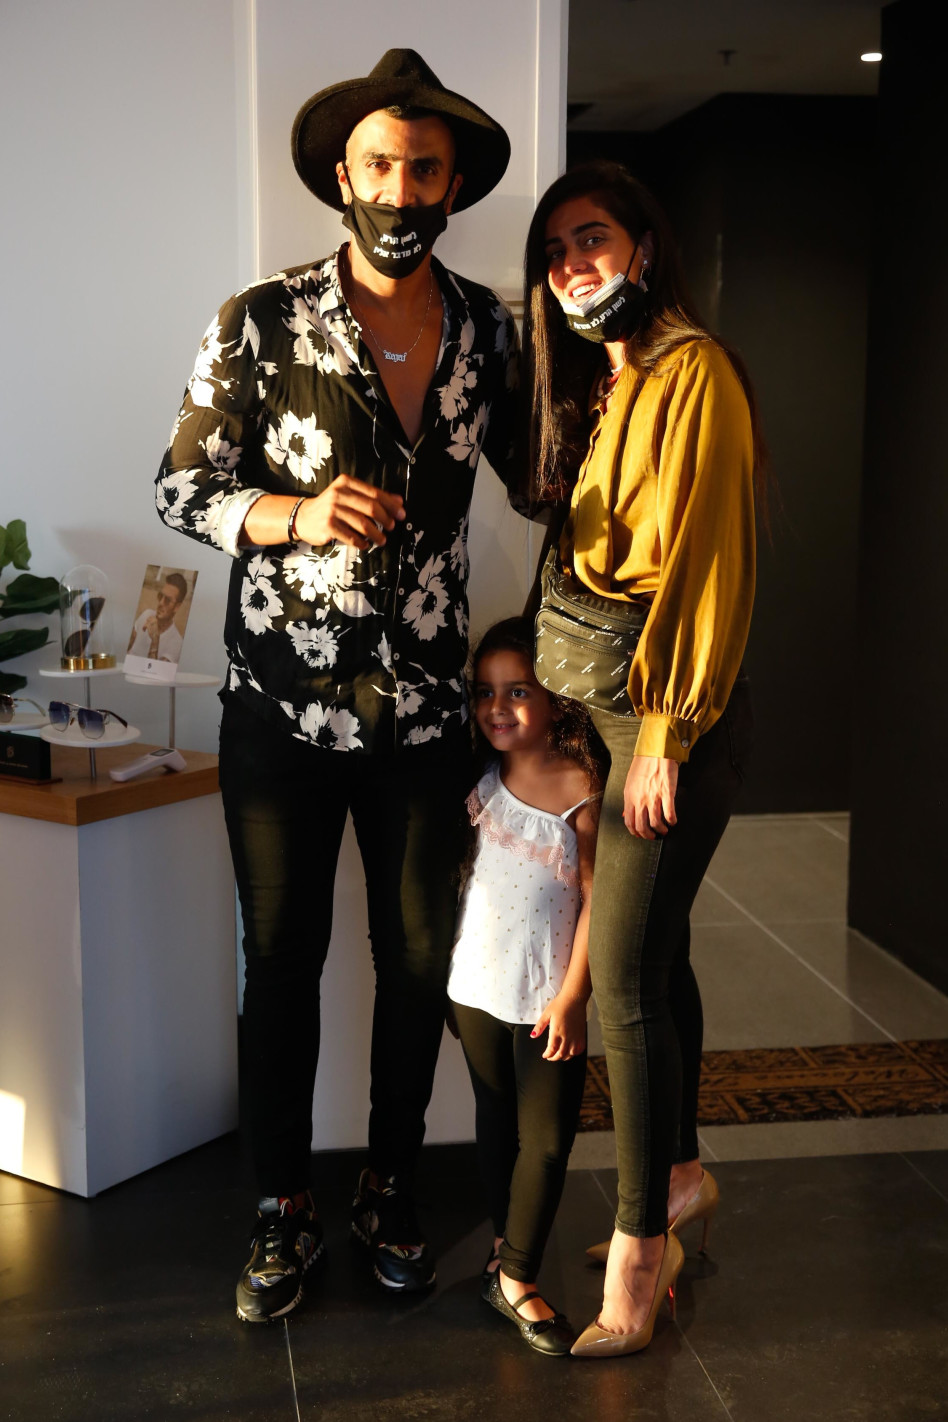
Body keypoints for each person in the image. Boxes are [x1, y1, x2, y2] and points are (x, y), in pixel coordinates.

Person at [155, 49, 520, 1324]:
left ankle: (388, 1187)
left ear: (454, 183)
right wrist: (295, 514)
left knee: (417, 964)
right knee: (281, 961)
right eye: (379, 164)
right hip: (280, 710)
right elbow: (182, 487)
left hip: (425, 712)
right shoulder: (259, 319)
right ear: (341, 177)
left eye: (424, 167)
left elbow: (542, 476)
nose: (400, 187)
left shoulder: (490, 329)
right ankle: (280, 1205)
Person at [522, 160, 760, 1358]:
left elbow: (708, 561)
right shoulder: (615, 381)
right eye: (557, 249)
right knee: (658, 959)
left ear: (645, 247)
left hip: (662, 723)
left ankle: (637, 1252)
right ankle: (679, 1176)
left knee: (618, 982)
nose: (574, 264)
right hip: (614, 710)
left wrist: (665, 727)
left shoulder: (694, 372)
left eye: (594, 238)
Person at [447, 617, 602, 1357]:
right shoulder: (479, 780)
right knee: (494, 1122)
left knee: (545, 1141)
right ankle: (506, 1256)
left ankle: (516, 1277)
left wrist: (573, 996)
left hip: (547, 999)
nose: (496, 707)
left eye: (517, 691)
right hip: (475, 985)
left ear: (557, 698)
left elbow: (600, 899)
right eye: (484, 692)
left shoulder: (584, 789)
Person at [126, 573, 187, 663]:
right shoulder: (147, 614)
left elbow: (156, 670)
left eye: (167, 600)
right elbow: (127, 647)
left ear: (177, 607)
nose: (161, 603)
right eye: (160, 596)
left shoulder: (177, 643)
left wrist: (155, 640)